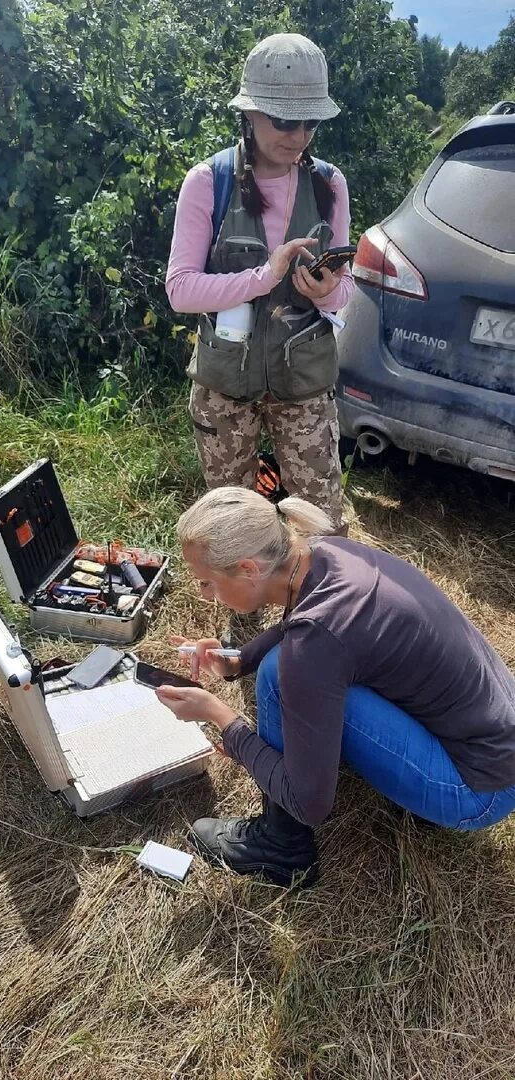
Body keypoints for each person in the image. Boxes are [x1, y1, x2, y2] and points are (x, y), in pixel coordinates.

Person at [156, 487, 515, 889]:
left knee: (279, 674)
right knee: (282, 665)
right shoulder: (323, 552)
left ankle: (281, 844)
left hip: (477, 789)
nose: (206, 596)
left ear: (248, 569)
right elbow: (308, 626)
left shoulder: (315, 643)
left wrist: (221, 717)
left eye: (206, 583)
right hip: (497, 744)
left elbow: (309, 803)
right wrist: (239, 660)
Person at [166, 33, 355, 530]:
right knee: (233, 527)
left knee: (322, 525)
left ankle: (319, 607)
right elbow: (181, 289)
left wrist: (328, 290)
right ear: (248, 115)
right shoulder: (209, 182)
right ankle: (241, 609)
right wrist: (264, 275)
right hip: (226, 386)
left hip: (305, 384)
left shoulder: (330, 184)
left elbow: (345, 288)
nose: (299, 136)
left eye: (310, 121)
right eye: (285, 120)